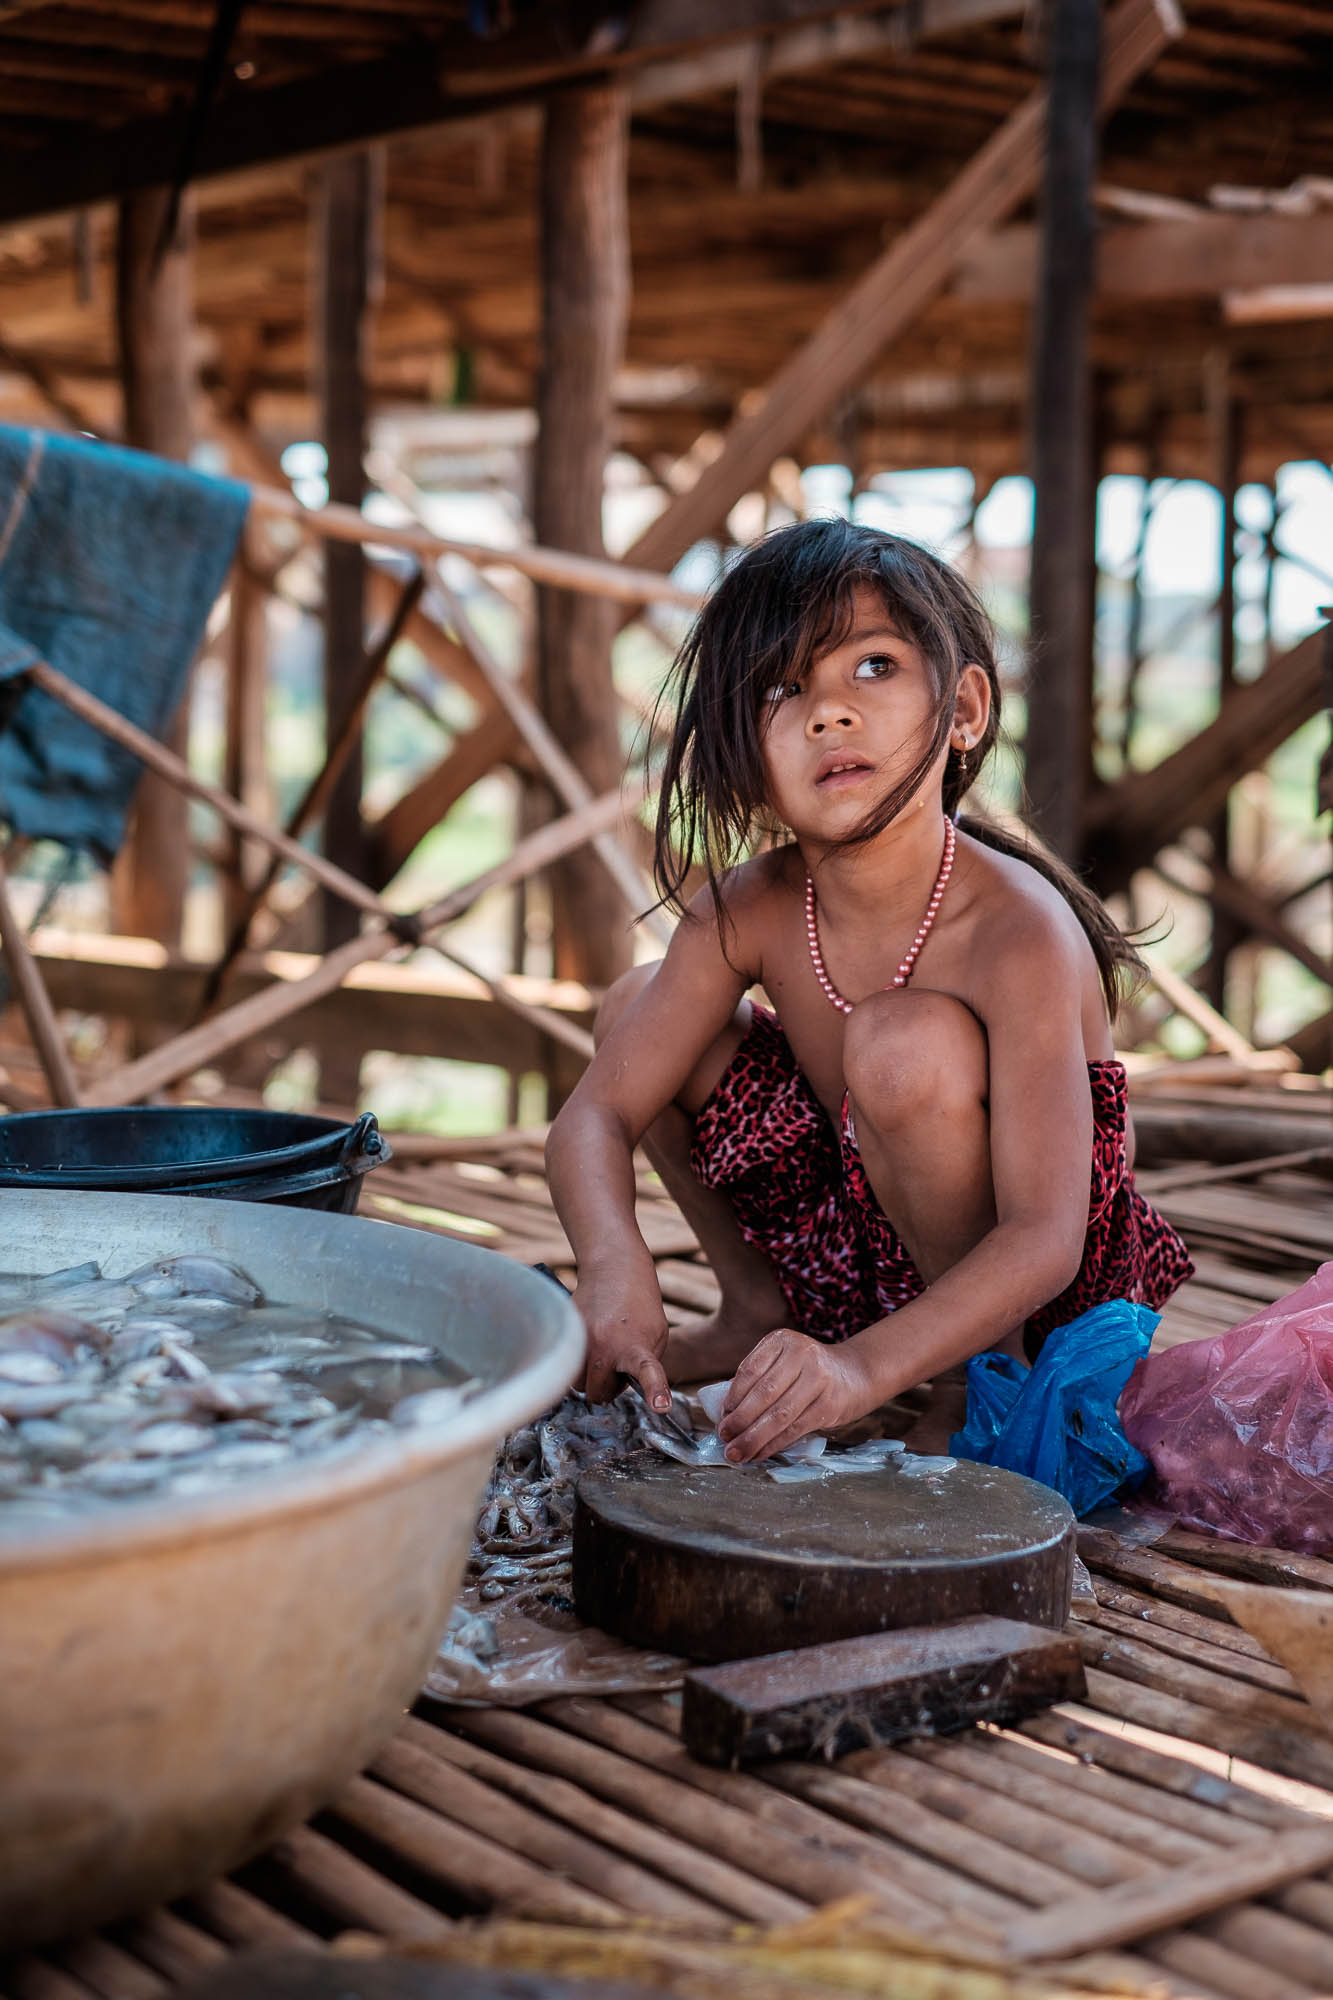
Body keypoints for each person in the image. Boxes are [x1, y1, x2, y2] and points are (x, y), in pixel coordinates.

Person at [545, 519, 1192, 1463]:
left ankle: (973, 1380)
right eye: (782, 688)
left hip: (1038, 1291)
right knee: (634, 1008)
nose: (828, 712)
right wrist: (613, 1264)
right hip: (861, 1241)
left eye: (874, 667)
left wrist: (858, 1373)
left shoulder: (1017, 933)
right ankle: (752, 1312)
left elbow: (1044, 1239)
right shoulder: (753, 906)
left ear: (963, 708)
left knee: (902, 1045)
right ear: (744, 753)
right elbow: (590, 1119)